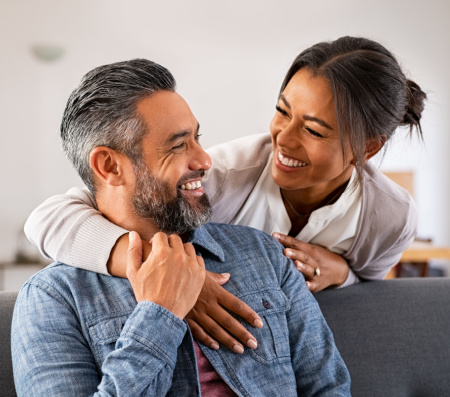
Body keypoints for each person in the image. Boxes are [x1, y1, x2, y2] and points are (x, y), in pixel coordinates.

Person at [12, 59, 365, 397]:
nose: (204, 160)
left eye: (198, 138)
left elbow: (328, 393)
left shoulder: (263, 253)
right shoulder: (53, 298)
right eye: (179, 145)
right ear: (109, 165)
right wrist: (157, 316)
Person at [24, 35, 426, 353]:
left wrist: (343, 274)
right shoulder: (224, 175)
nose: (282, 139)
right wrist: (168, 274)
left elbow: (370, 291)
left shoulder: (390, 217)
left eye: (314, 130)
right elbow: (48, 219)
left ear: (368, 148)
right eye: (282, 111)